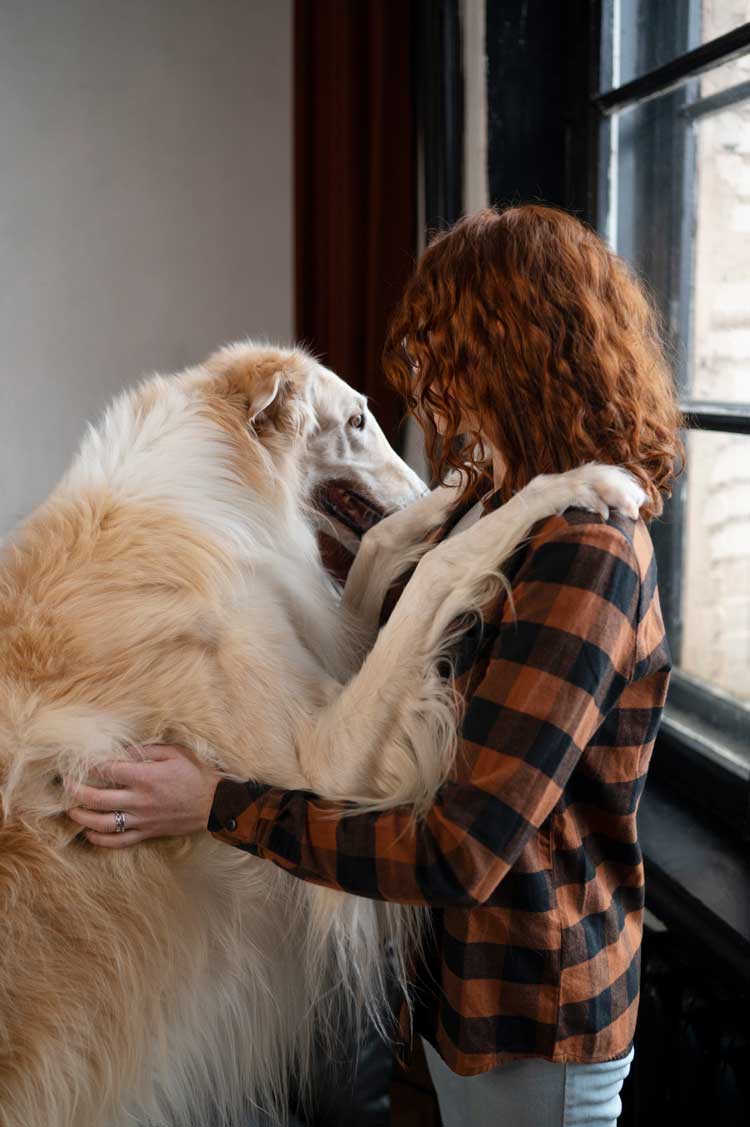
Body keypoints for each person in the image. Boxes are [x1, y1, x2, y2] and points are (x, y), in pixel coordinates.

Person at [67, 204, 682, 1127]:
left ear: (514, 350)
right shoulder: (497, 510)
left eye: (447, 353)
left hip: (527, 1017)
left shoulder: (587, 547)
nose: (430, 385)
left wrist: (215, 803)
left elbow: (460, 847)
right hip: (444, 1000)